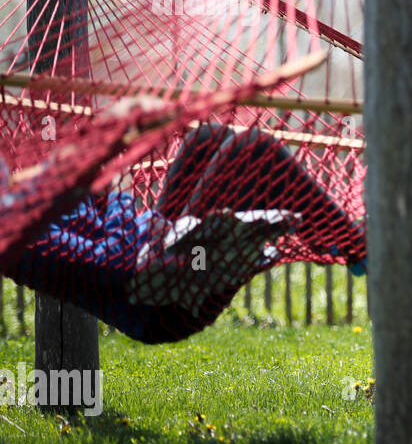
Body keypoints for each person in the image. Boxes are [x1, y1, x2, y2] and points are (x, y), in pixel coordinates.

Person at [5, 120, 365, 344]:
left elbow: (96, 208)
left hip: (161, 244)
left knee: (207, 138)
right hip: (170, 289)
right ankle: (358, 248)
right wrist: (119, 201)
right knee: (253, 150)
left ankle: (332, 238)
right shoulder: (23, 242)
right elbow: (113, 265)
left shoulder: (30, 200)